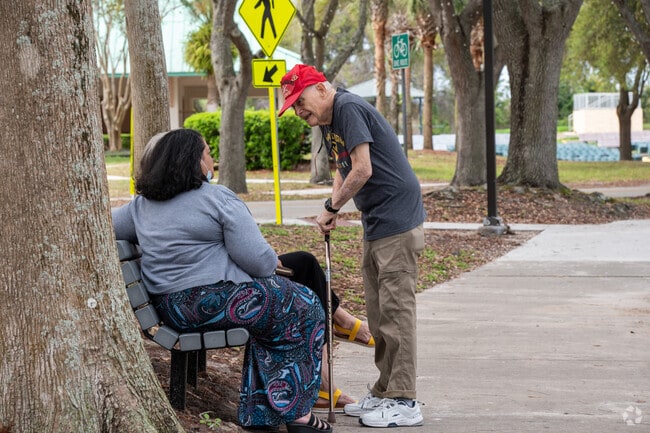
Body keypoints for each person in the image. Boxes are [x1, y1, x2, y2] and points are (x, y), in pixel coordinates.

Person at [111, 128, 332, 433]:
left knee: (272, 315)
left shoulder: (141, 206)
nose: (212, 158)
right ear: (194, 161)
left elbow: (104, 223)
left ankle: (262, 414)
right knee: (305, 306)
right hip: (213, 303)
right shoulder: (217, 198)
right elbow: (260, 261)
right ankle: (299, 416)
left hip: (171, 309)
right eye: (207, 152)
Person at [278, 64, 426, 428]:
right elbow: (343, 170)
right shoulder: (330, 122)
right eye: (293, 107)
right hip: (376, 222)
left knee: (396, 313)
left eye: (300, 101)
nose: (298, 112)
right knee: (378, 314)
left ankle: (405, 400)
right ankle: (384, 390)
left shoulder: (347, 108)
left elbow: (363, 169)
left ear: (322, 89)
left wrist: (333, 207)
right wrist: (331, 210)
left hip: (397, 220)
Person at [278, 251, 375, 412]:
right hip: (233, 283)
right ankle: (344, 323)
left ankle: (324, 385)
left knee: (305, 264)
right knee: (304, 265)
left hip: (236, 270)